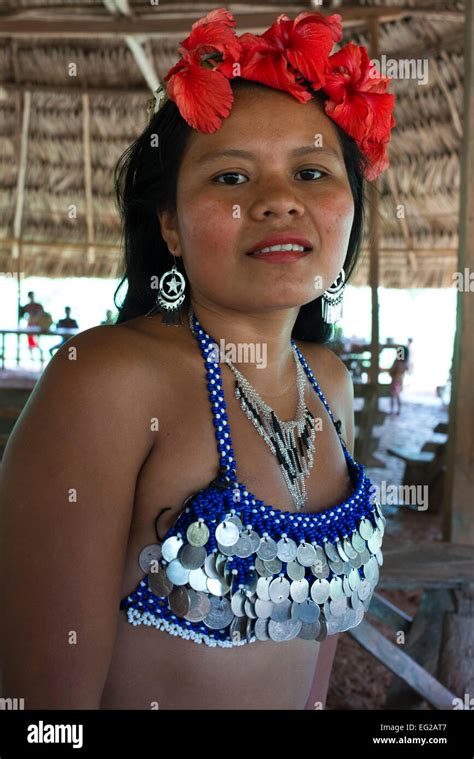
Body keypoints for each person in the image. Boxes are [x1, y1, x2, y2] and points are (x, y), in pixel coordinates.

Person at [0, 9, 395, 711]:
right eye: (231, 179)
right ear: (170, 227)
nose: (279, 201)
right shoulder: (105, 379)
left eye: (310, 171)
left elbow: (318, 649)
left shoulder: (327, 382)